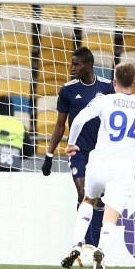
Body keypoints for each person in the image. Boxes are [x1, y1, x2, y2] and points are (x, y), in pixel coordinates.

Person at [60, 63, 135, 269]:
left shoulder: (104, 100)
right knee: (111, 217)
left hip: (98, 164)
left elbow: (78, 120)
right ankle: (101, 253)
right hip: (124, 170)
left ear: (114, 82)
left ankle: (78, 243)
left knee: (88, 200)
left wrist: (71, 144)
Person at [42, 47, 114, 247]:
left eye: (77, 64)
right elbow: (59, 124)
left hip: (102, 152)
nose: (72, 67)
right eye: (72, 63)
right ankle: (85, 246)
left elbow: (117, 121)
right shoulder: (68, 89)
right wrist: (49, 155)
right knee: (84, 193)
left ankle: (94, 245)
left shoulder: (107, 88)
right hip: (78, 151)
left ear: (89, 65)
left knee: (98, 199)